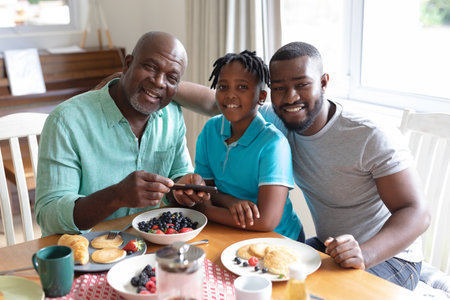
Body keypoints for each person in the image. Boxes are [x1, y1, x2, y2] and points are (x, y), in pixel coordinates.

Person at [174, 42, 430, 290]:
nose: (290, 97)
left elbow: (417, 212)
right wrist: (163, 82)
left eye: (302, 85)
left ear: (323, 83)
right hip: (328, 246)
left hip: (390, 258)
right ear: (268, 93)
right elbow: (222, 102)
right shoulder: (277, 116)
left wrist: (365, 253)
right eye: (280, 88)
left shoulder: (369, 135)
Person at [35, 31, 209, 237]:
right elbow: (49, 215)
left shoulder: (171, 115)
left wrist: (184, 188)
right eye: (151, 67)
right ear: (127, 64)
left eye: (172, 77)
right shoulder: (66, 120)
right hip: (82, 254)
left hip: (146, 247)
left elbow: (177, 176)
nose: (160, 82)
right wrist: (115, 196)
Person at [193, 50, 304, 241]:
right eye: (223, 87)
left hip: (278, 239)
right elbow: (206, 192)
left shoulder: (273, 145)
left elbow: (266, 221)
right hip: (232, 231)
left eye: (242, 87)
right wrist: (229, 201)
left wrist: (203, 210)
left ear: (261, 96)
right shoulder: (211, 129)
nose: (230, 95)